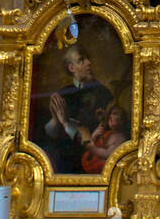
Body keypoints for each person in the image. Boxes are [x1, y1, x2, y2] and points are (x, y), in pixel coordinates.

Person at [42, 45, 113, 175]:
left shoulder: (103, 92)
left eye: (87, 59)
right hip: (66, 162)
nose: (88, 63)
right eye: (81, 60)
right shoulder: (62, 94)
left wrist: (65, 122)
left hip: (93, 161)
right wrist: (55, 120)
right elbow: (50, 134)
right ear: (71, 68)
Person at [81, 103, 128, 173]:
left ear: (122, 121)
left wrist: (92, 147)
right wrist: (94, 135)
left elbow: (107, 154)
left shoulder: (120, 138)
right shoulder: (109, 133)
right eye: (110, 115)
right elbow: (97, 143)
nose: (110, 117)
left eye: (115, 114)